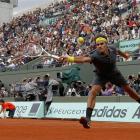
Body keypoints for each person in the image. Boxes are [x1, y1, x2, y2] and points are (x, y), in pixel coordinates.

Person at [59, 34, 140, 128]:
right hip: (101, 75)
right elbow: (83, 59)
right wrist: (69, 58)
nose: (99, 46)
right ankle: (87, 119)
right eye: (97, 45)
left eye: (101, 44)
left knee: (128, 90)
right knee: (93, 92)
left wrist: (125, 56)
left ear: (106, 44)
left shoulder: (112, 49)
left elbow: (118, 51)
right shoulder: (95, 56)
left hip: (114, 73)